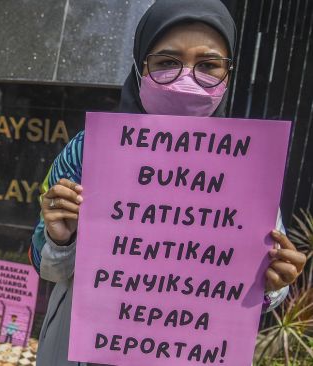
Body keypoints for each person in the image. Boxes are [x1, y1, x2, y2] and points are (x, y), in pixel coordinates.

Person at [29, 1, 307, 365]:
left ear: (229, 73)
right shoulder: (89, 150)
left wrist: (274, 282)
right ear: (139, 65)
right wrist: (61, 238)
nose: (186, 79)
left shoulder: (248, 167)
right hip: (84, 351)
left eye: (208, 65)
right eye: (166, 62)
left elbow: (259, 279)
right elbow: (44, 264)